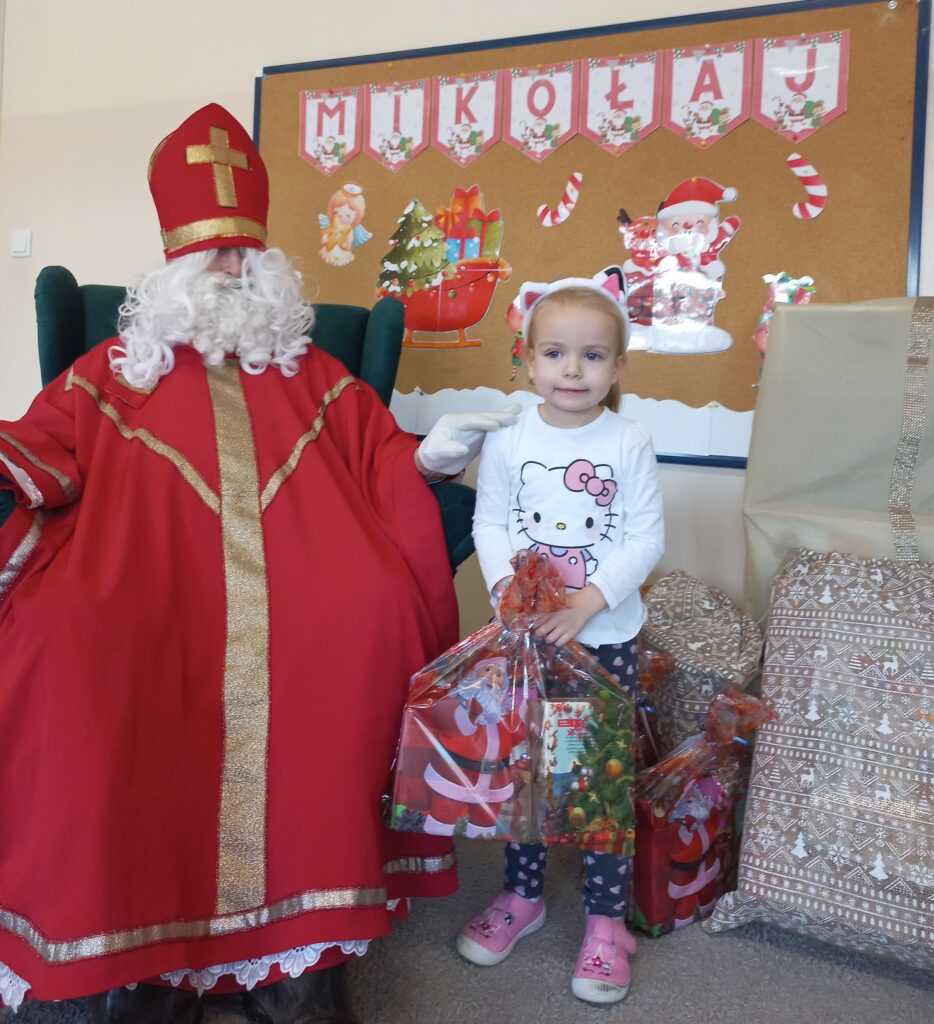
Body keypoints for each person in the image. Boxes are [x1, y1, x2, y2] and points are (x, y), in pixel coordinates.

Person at [0, 103, 515, 1022]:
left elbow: (380, 454)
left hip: (308, 578)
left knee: (365, 618)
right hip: (141, 578)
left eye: (244, 255)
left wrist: (431, 458)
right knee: (70, 637)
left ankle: (297, 953)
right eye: (214, 257)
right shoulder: (114, 371)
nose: (232, 271)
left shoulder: (313, 373)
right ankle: (135, 943)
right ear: (173, 268)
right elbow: (42, 448)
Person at [461, 269, 665, 1005]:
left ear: (617, 367)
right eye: (555, 353)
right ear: (526, 359)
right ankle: (523, 896)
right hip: (527, 641)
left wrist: (586, 603)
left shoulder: (627, 440)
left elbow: (645, 538)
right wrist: (505, 592)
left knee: (591, 781)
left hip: (601, 640)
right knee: (528, 774)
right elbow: (489, 522)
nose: (572, 370)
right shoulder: (510, 438)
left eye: (592, 355)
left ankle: (606, 924)